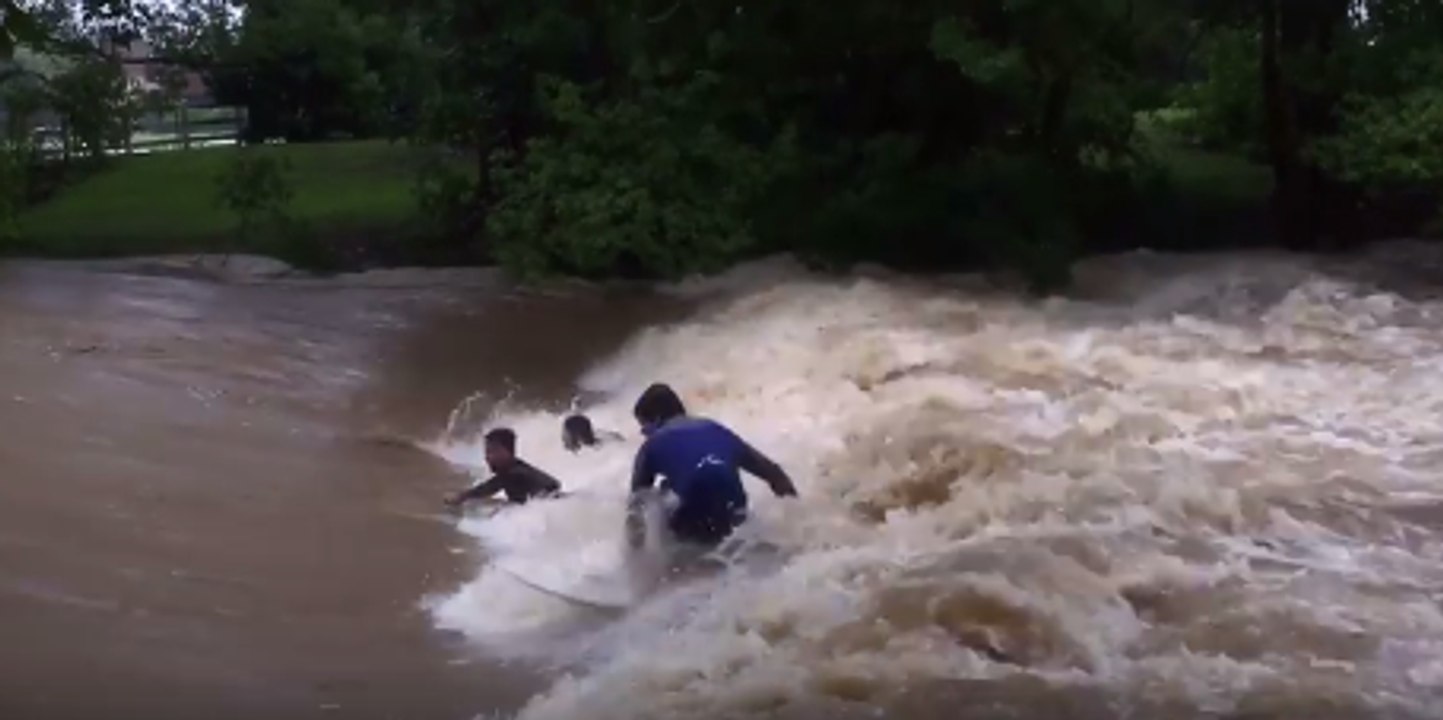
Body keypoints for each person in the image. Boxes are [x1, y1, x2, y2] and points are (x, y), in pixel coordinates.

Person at [626, 383, 797, 549]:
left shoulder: (651, 445)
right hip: (734, 503)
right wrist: (796, 515)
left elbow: (636, 505)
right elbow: (774, 474)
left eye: (644, 429)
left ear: (656, 419)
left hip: (696, 507)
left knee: (661, 497)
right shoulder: (716, 429)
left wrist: (635, 553)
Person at [445, 428, 562, 508]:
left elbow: (489, 487)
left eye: (491, 452)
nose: (487, 457)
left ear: (506, 452)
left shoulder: (516, 474)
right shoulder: (516, 469)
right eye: (486, 452)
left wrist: (461, 497)